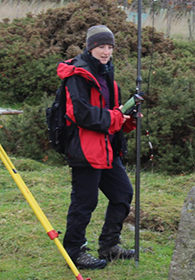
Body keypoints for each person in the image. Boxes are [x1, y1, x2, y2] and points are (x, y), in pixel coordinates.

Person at [56, 25, 137, 270]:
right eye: (101, 46)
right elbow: (80, 113)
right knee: (84, 202)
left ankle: (109, 245)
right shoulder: (77, 75)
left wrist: (127, 118)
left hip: (108, 149)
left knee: (122, 195)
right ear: (91, 47)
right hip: (84, 148)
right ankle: (74, 251)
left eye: (110, 47)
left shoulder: (107, 75)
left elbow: (112, 112)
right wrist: (115, 118)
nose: (106, 52)